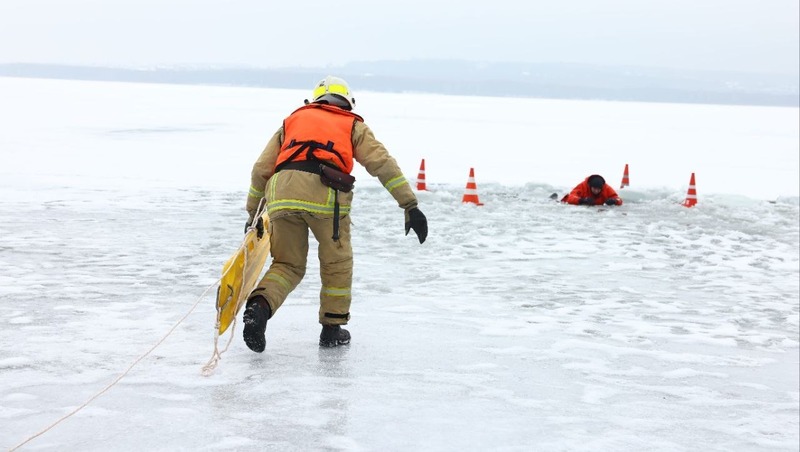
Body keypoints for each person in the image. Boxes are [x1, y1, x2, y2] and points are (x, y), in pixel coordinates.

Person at [241, 75, 428, 352]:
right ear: (347, 103)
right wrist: (409, 205)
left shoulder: (292, 121)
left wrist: (253, 213)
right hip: (325, 194)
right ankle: (332, 329)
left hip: (280, 193)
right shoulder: (352, 124)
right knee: (336, 263)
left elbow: (260, 170)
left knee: (287, 265)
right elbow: (381, 164)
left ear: (316, 99)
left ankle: (259, 307)